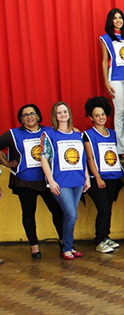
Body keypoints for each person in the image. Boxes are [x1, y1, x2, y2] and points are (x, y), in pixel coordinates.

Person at [0, 104, 64, 259]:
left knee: (58, 211)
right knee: (29, 214)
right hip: (25, 181)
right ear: (21, 119)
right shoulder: (13, 134)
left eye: (32, 113)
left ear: (38, 116)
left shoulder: (50, 131)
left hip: (47, 180)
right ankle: (34, 247)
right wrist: (6, 163)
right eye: (25, 115)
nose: (29, 117)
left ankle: (65, 243)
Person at [41, 102, 90, 260]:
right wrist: (51, 181)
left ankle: (69, 245)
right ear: (55, 116)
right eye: (59, 112)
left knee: (70, 216)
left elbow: (82, 159)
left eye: (65, 111)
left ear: (69, 113)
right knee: (71, 215)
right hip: (60, 183)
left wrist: (87, 178)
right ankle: (67, 247)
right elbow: (44, 159)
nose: (63, 114)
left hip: (77, 180)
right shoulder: (49, 135)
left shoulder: (78, 134)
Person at [83, 97, 124, 253]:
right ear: (91, 118)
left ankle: (106, 236)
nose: (101, 118)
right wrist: (98, 178)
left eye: (102, 114)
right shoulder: (88, 135)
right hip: (98, 179)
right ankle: (100, 240)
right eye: (97, 115)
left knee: (108, 209)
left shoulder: (113, 133)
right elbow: (90, 158)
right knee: (104, 209)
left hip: (113, 177)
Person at [100, 8, 124, 155]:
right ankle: (121, 148)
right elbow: (104, 61)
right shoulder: (106, 38)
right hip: (114, 78)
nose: (118, 20)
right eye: (115, 18)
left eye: (120, 17)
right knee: (120, 111)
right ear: (111, 21)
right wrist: (106, 82)